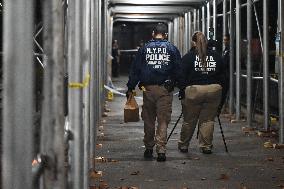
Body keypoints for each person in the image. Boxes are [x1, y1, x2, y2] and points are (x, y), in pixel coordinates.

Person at [126, 23, 181, 162]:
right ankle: (161, 150)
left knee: (149, 119)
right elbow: (178, 69)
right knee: (163, 120)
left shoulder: (144, 49)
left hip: (148, 89)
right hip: (165, 89)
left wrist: (130, 87)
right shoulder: (172, 49)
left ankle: (149, 148)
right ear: (166, 35)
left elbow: (135, 69)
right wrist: (175, 83)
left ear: (153, 33)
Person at [177, 31, 228, 154]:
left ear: (193, 42)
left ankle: (184, 145)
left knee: (189, 119)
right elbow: (224, 78)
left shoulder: (188, 57)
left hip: (194, 90)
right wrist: (222, 97)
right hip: (214, 90)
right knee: (208, 119)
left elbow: (180, 76)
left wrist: (182, 91)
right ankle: (206, 146)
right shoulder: (216, 56)